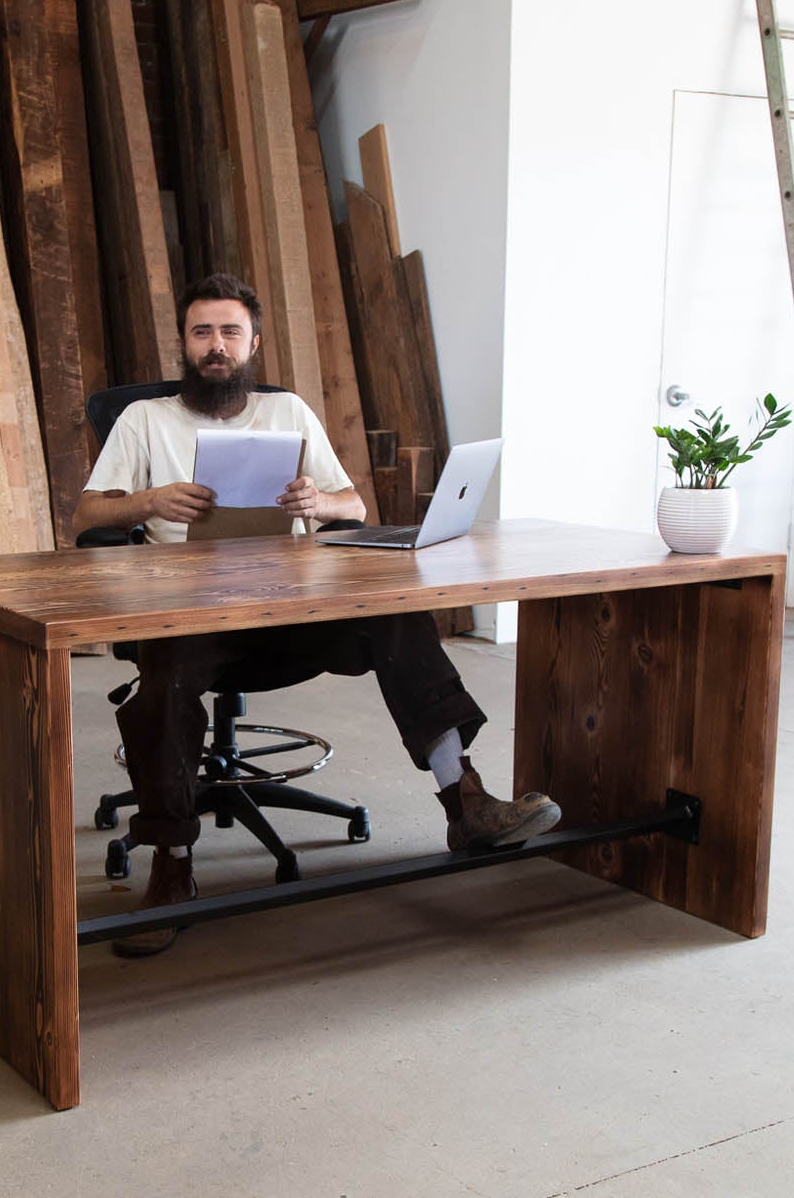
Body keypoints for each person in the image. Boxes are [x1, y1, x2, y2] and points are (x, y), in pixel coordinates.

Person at [73, 274, 562, 952]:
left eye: (230, 332)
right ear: (183, 343)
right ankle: (172, 865)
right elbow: (88, 516)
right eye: (202, 332)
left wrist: (315, 503)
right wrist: (148, 503)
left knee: (398, 615)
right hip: (189, 610)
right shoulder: (145, 420)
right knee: (168, 673)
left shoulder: (288, 412)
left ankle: (466, 801)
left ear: (253, 342)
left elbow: (350, 504)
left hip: (294, 608)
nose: (216, 346)